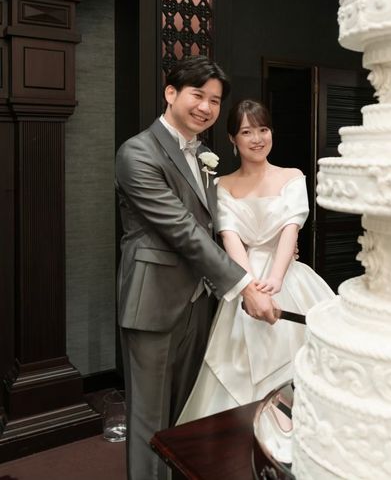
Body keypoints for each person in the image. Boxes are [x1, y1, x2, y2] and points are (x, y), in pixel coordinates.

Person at [115, 57, 278, 480]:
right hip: (153, 301)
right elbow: (182, 230)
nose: (206, 107)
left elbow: (213, 225)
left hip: (198, 300)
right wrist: (244, 285)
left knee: (184, 411)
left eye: (215, 100)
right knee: (149, 418)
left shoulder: (203, 154)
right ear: (171, 93)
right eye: (198, 95)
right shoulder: (137, 152)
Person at [176, 99, 335, 423]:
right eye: (247, 132)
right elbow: (230, 237)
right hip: (244, 276)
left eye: (263, 129)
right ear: (233, 139)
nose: (258, 138)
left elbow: (291, 230)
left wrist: (275, 279)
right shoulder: (221, 185)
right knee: (237, 366)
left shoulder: (292, 176)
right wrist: (250, 287)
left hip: (288, 277)